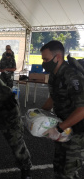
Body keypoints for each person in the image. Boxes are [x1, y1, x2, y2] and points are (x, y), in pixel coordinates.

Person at [41, 40, 84, 179]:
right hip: (64, 126)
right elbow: (54, 97)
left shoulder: (72, 76)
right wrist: (40, 113)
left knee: (68, 170)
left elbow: (82, 109)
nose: (43, 62)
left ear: (57, 57)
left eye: (45, 59)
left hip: (78, 131)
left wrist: (58, 129)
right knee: (59, 166)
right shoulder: (55, 74)